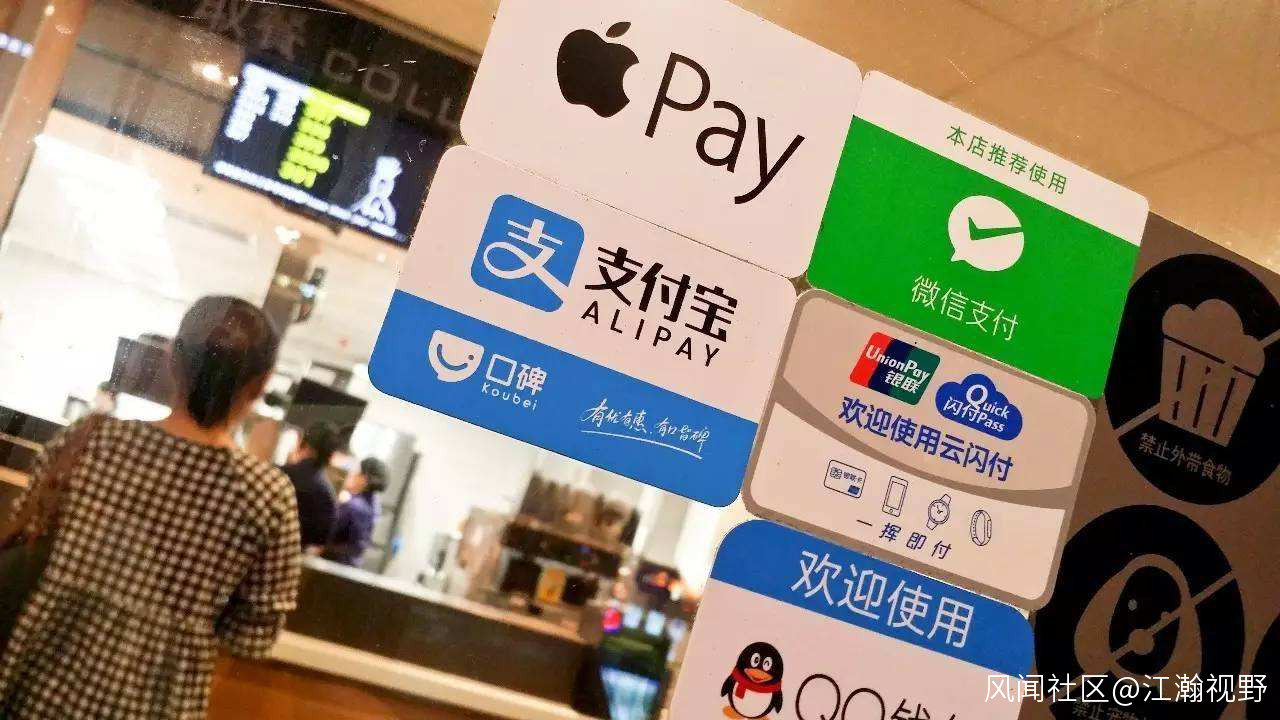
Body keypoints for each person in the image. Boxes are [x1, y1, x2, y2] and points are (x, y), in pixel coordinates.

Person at [0, 296, 301, 719]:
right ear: (262, 384)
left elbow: (24, 533)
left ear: (171, 358)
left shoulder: (89, 440)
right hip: (157, 703)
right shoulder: (267, 495)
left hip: (35, 686)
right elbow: (254, 637)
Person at [280, 422, 341, 555]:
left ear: (305, 444)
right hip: (295, 557)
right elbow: (321, 541)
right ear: (330, 456)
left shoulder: (279, 474)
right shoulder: (329, 496)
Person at [323, 457, 388, 567]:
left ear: (364, 479)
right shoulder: (374, 503)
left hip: (333, 562)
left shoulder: (352, 506)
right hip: (351, 564)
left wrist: (339, 504)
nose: (350, 474)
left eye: (355, 472)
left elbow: (326, 533)